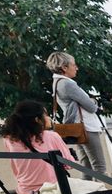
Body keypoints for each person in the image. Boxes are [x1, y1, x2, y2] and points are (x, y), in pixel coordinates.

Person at [46, 51, 108, 179]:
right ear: (64, 67)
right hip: (86, 127)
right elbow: (91, 107)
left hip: (77, 127)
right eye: (73, 65)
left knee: (86, 166)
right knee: (99, 166)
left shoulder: (57, 82)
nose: (76, 68)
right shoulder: (67, 83)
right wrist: (94, 101)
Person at [1, 100, 69, 194]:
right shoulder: (51, 136)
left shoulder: (9, 139)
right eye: (46, 115)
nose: (49, 118)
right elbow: (68, 163)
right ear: (37, 120)